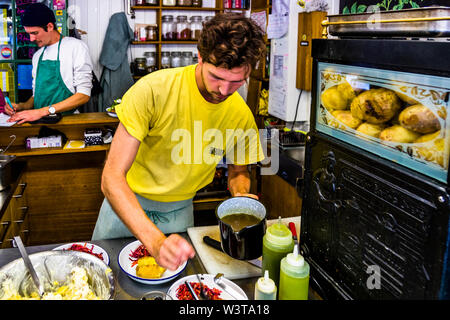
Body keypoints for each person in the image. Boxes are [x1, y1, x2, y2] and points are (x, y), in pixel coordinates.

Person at [91, 13, 267, 271]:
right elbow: (111, 178)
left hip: (180, 213)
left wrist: (240, 195)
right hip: (126, 209)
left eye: (236, 81)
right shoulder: (153, 90)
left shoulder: (240, 113)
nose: (224, 91)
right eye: (217, 77)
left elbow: (239, 170)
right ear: (200, 57)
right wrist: (155, 241)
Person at [5, 3, 93, 124]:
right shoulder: (37, 56)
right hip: (39, 122)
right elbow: (37, 95)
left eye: (35, 33)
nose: (31, 39)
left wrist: (43, 111)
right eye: (28, 34)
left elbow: (83, 95)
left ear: (50, 26)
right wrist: (23, 106)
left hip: (67, 121)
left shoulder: (76, 47)